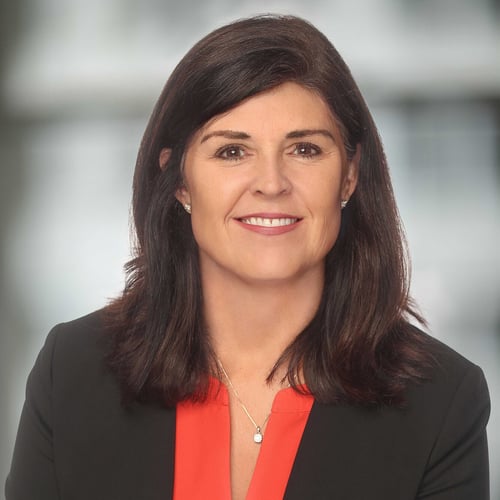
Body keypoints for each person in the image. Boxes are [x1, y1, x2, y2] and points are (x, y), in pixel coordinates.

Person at [5, 14, 490, 500]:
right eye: (232, 152)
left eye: (305, 149)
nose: (272, 183)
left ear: (349, 175)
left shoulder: (442, 402)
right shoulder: (72, 372)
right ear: (179, 180)